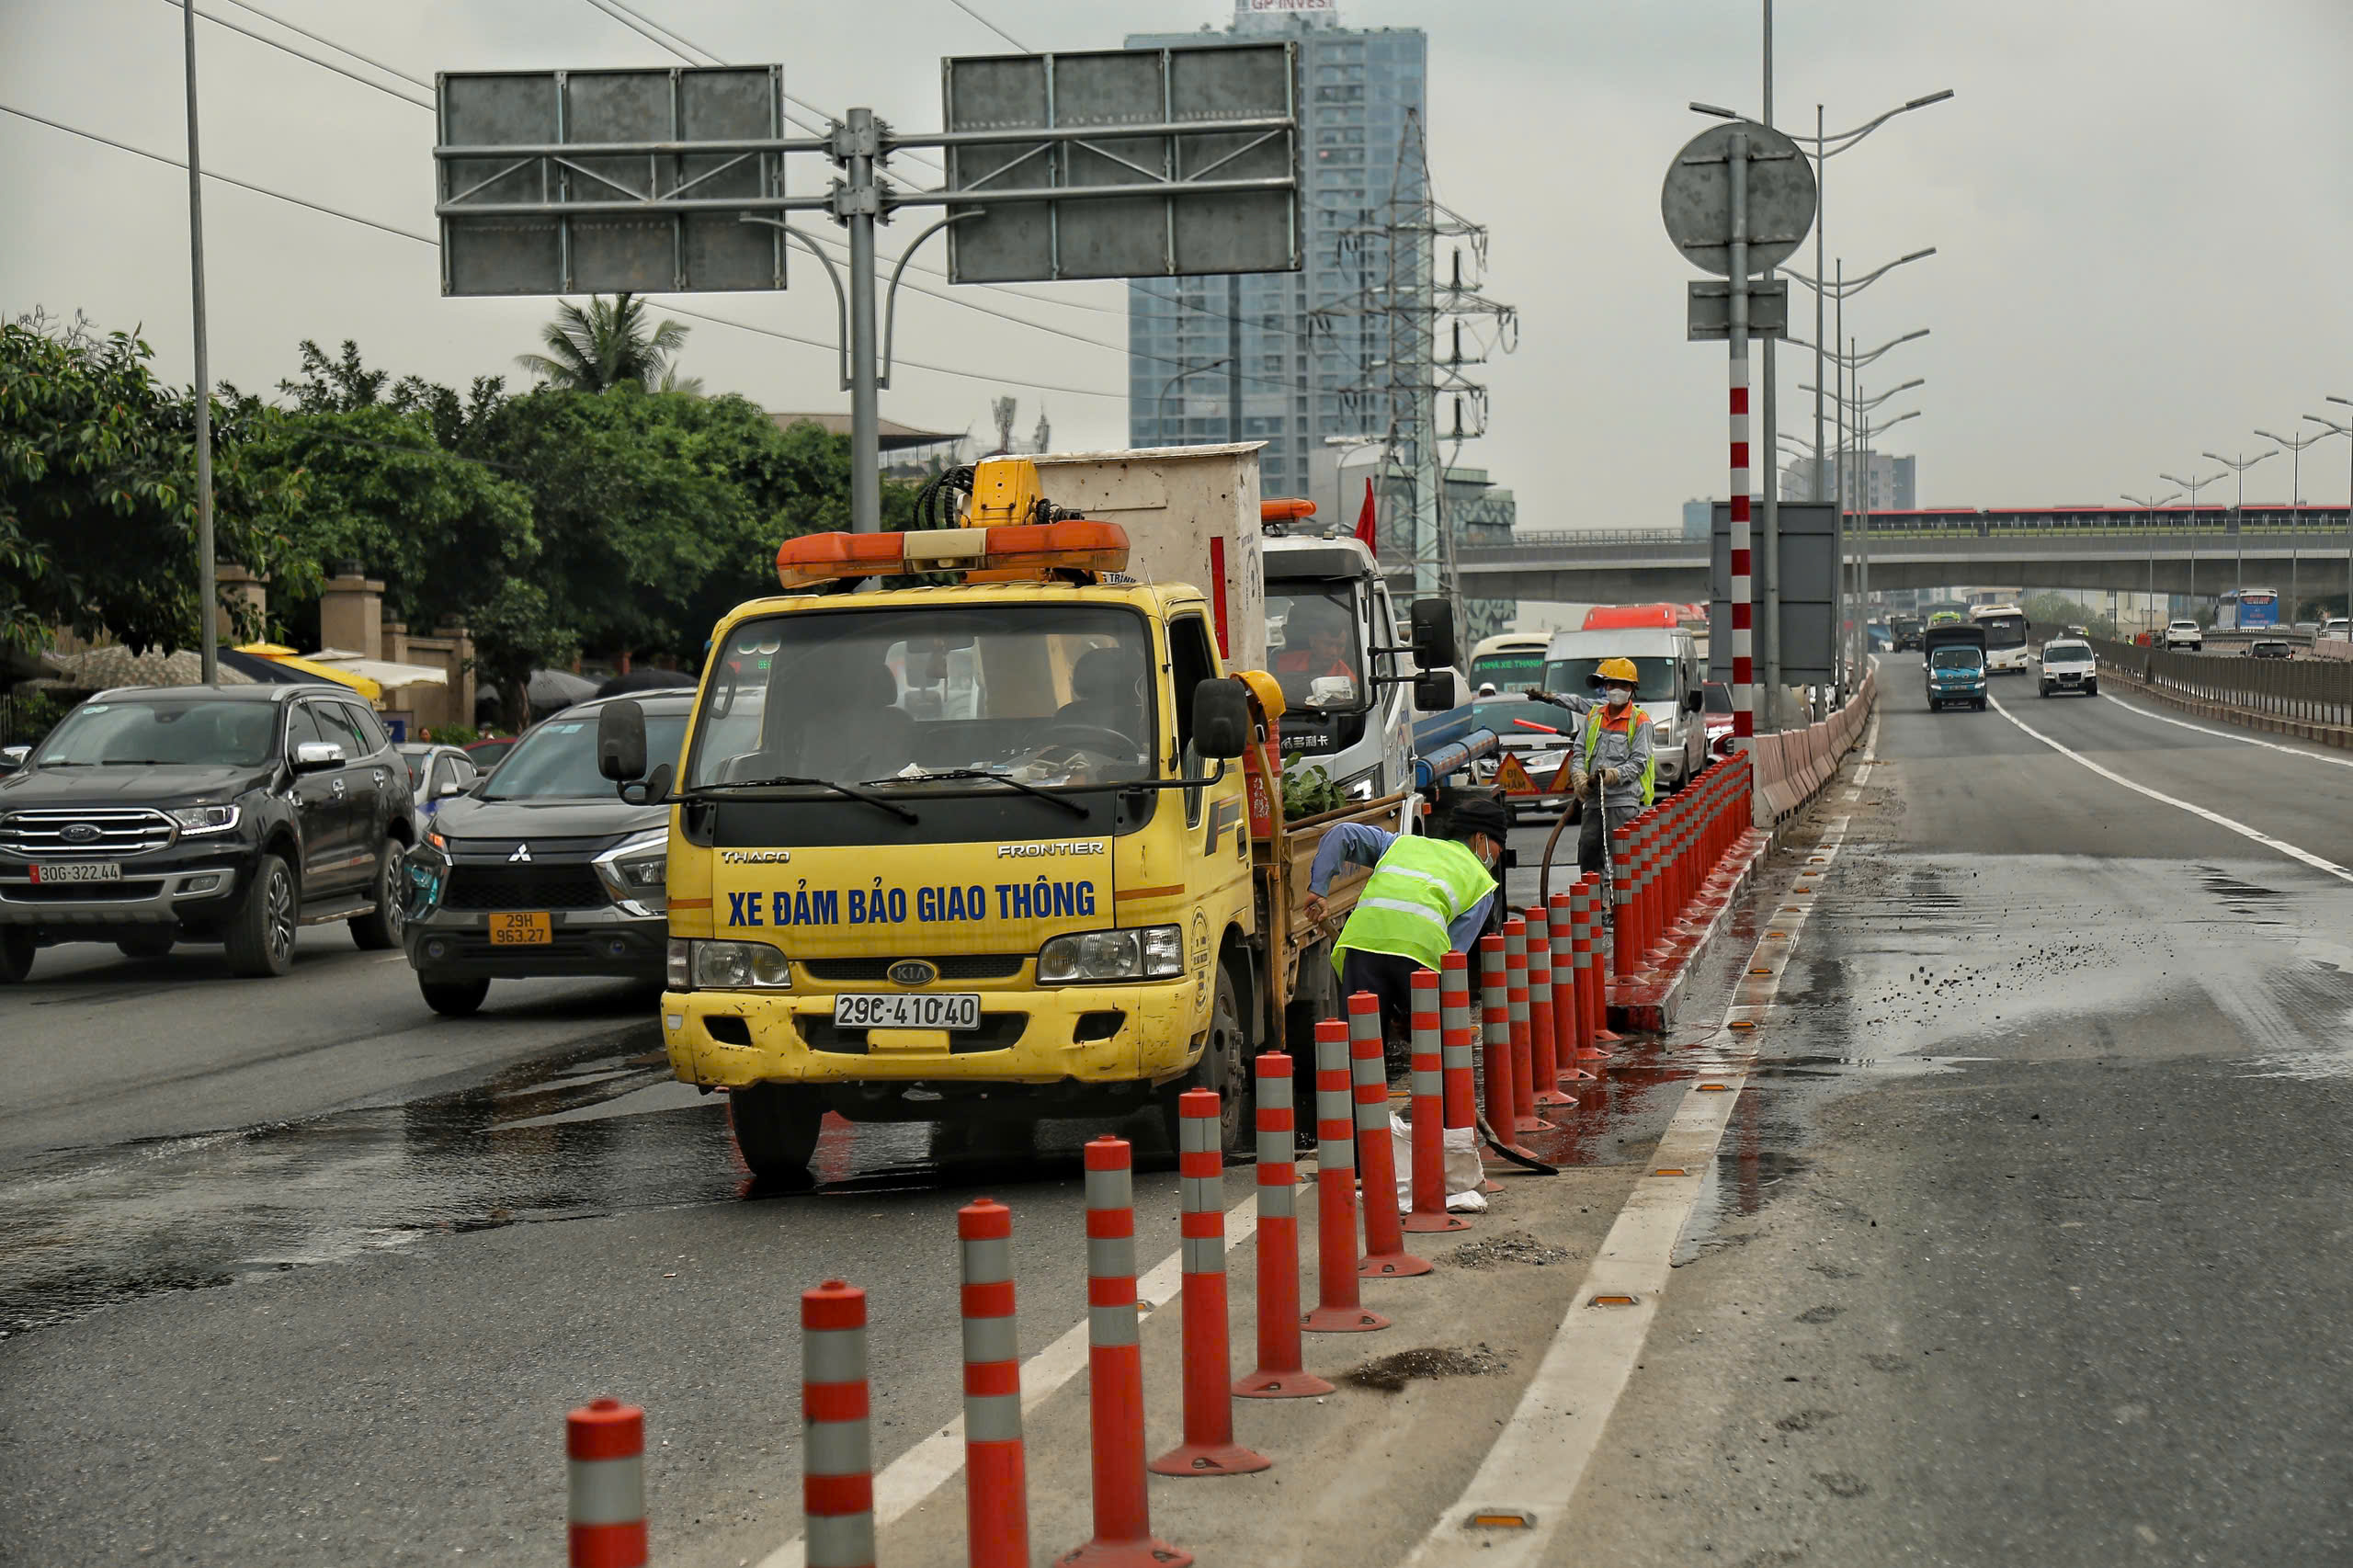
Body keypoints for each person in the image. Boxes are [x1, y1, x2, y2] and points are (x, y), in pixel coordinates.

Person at [1300, 794, 1510, 1055]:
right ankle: (1436, 1095)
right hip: (1420, 957)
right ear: (1480, 838)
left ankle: (1357, 1096)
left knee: (1361, 1048)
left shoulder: (1401, 844)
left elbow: (1342, 834)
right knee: (1435, 1052)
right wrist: (1416, 1014)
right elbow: (1453, 956)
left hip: (1362, 944)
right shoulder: (1481, 882)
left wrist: (1318, 889)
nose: (1498, 857)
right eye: (1498, 846)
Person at [1568, 656, 1654, 877]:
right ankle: (1595, 905)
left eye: (1623, 686)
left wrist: (1614, 775)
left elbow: (1639, 762)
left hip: (1623, 802)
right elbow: (1579, 751)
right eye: (1613, 684)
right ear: (1605, 686)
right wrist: (1578, 775)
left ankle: (1623, 907)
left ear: (1632, 689)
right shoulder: (1594, 716)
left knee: (1623, 860)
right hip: (1593, 800)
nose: (1617, 690)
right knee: (1588, 853)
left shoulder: (1639, 721)